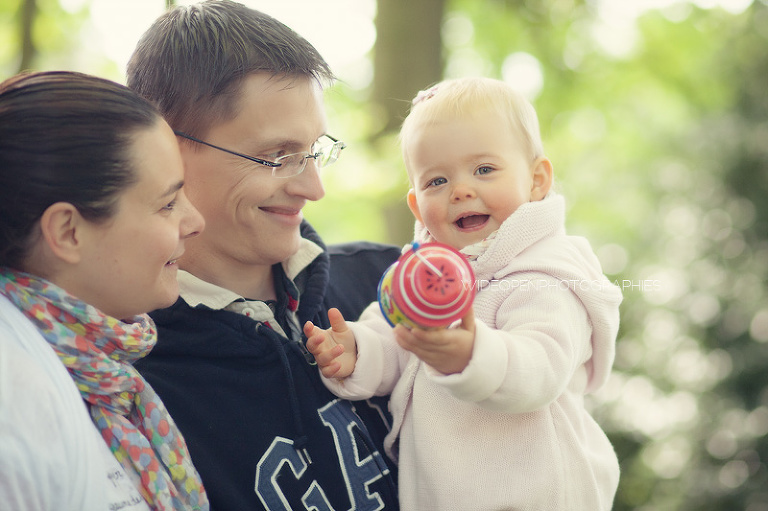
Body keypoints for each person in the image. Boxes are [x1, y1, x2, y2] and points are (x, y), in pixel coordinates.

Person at [126, 1, 401, 510]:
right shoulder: (132, 386)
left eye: (313, 151)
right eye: (279, 156)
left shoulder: (392, 285)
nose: (314, 188)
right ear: (166, 148)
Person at [304, 76, 624, 511]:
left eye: (484, 170)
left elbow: (541, 367)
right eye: (437, 181)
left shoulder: (545, 275)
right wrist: (356, 351)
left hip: (537, 494)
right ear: (417, 206)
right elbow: (395, 342)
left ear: (536, 180)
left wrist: (473, 355)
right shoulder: (421, 277)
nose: (460, 190)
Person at [0, 71, 208, 511]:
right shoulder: (14, 406)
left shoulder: (100, 373)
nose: (195, 222)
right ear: (68, 232)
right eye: (168, 203)